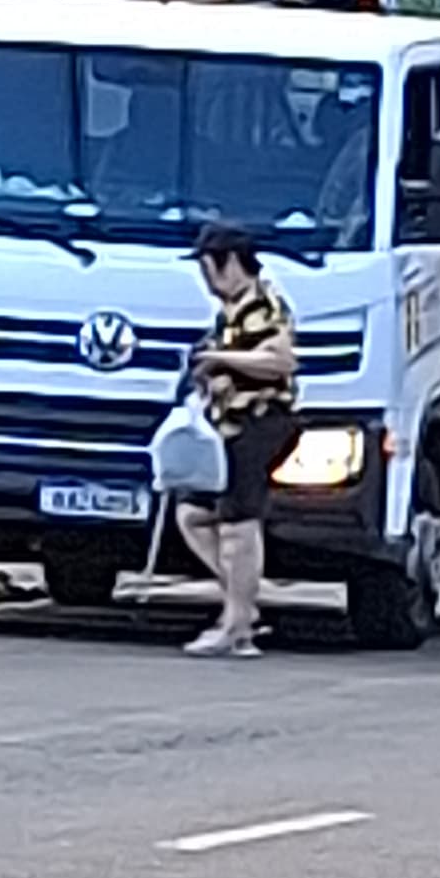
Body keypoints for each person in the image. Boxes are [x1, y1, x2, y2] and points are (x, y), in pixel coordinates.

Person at [174, 222, 299, 659]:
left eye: (207, 266)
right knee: (192, 514)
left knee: (238, 526)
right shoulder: (230, 312)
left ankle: (238, 627)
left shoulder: (261, 304)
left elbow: (281, 361)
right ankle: (241, 604)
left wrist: (217, 359)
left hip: (258, 423)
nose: (205, 278)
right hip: (227, 426)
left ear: (225, 262)